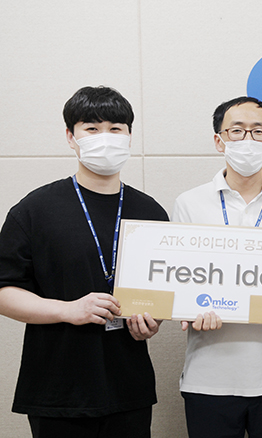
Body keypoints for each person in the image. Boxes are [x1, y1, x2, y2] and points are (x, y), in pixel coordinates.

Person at [0, 86, 168, 438]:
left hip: (129, 388)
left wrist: (152, 321)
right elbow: (4, 291)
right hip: (57, 390)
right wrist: (67, 310)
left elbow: (162, 291)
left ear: (129, 136)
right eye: (92, 128)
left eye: (115, 128)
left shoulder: (151, 212)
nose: (105, 137)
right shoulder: (34, 210)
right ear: (70, 137)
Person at [172, 96, 262, 438]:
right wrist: (188, 311)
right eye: (236, 131)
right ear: (219, 140)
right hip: (208, 378)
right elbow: (180, 282)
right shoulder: (189, 203)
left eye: (258, 131)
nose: (247, 139)